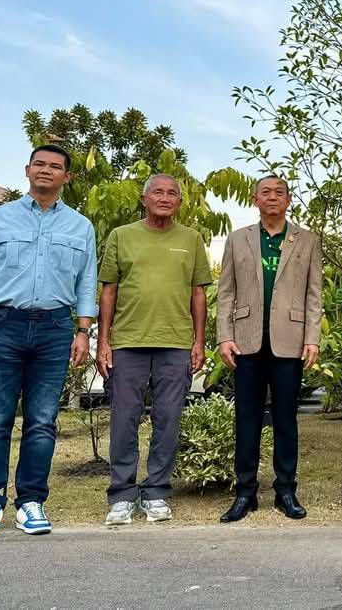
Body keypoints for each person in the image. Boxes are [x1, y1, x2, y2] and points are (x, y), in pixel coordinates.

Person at [0, 145, 97, 539]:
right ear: (27, 170)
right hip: (2, 326)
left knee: (42, 421)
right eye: (39, 164)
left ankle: (31, 502)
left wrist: (82, 331)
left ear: (67, 176)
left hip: (55, 328)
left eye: (55, 166)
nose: (46, 171)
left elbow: (86, 282)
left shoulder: (80, 227)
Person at [97, 174, 212, 526]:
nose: (164, 198)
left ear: (179, 201)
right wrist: (103, 341)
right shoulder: (121, 236)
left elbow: (198, 293)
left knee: (168, 419)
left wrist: (198, 341)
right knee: (124, 419)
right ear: (144, 199)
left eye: (172, 193)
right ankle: (121, 494)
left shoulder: (191, 239)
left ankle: (157, 492)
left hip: (175, 343)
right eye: (157, 192)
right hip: (127, 342)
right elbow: (109, 290)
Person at [217, 176, 322, 523]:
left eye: (279, 192)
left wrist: (312, 338)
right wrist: (224, 336)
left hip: (289, 341)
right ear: (255, 199)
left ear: (289, 200)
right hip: (246, 340)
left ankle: (285, 490)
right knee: (246, 418)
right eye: (266, 192)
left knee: (286, 419)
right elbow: (226, 292)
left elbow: (313, 295)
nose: (273, 197)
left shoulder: (307, 240)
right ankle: (245, 492)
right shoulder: (238, 239)